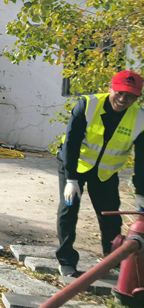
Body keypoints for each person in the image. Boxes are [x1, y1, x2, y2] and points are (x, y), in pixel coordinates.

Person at [56, 70, 144, 277]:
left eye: (130, 96)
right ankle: (66, 261)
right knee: (69, 211)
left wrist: (141, 193)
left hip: (105, 172)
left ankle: (112, 260)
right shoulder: (87, 105)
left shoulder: (140, 119)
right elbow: (71, 143)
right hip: (75, 166)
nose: (122, 99)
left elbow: (142, 160)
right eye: (119, 93)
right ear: (110, 88)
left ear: (137, 97)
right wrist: (71, 179)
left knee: (111, 217)